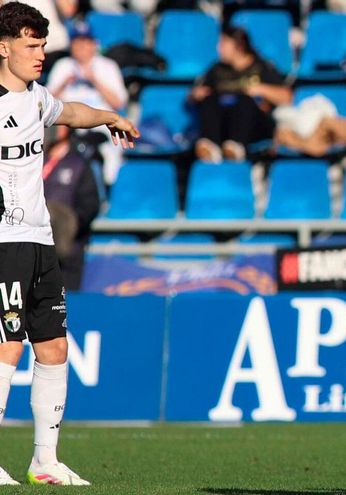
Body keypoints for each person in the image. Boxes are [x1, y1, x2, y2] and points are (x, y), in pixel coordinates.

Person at [0, 2, 139, 486]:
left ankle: (44, 460)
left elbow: (70, 111)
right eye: (31, 46)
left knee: (54, 346)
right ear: (4, 48)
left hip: (40, 239)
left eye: (42, 45)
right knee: (6, 345)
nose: (40, 55)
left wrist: (107, 116)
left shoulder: (38, 98)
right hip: (4, 241)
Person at [191, 26, 291, 163]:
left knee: (244, 101)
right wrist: (196, 95)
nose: (218, 48)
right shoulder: (217, 69)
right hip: (223, 123)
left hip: (254, 126)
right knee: (210, 101)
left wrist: (261, 89)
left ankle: (236, 146)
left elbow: (286, 96)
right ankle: (210, 145)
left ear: (239, 45)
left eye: (223, 43)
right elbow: (196, 94)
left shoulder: (261, 67)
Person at [46, 21, 128, 184]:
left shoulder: (107, 66)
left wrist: (94, 80)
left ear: (93, 44)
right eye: (77, 42)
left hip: (100, 125)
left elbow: (119, 103)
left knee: (111, 149)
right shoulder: (63, 66)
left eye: (86, 42)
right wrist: (63, 84)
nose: (81, 47)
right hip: (67, 127)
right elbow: (44, 102)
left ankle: (105, 189)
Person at [42, 126, 100, 290]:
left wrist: (68, 227)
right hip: (35, 248)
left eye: (57, 124)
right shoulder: (33, 160)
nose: (51, 128)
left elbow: (89, 205)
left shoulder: (79, 164)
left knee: (65, 307)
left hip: (68, 251)